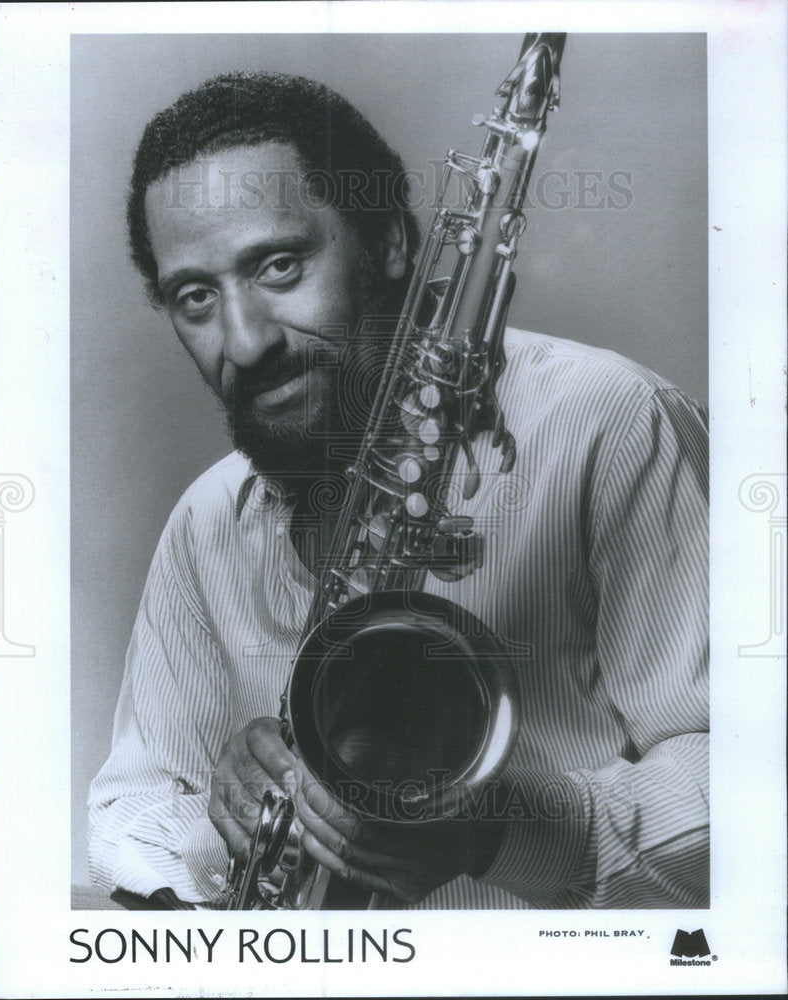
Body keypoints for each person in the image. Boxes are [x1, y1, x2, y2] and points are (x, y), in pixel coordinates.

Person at [87, 70, 708, 910]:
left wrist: (496, 831)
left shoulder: (610, 421)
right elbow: (126, 813)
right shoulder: (207, 518)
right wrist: (224, 817)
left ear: (386, 243)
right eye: (195, 296)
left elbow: (758, 790)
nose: (243, 339)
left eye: (277, 265)